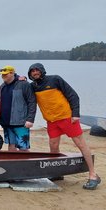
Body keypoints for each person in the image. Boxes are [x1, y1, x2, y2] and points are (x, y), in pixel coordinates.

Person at [28, 62, 101, 190]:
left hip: (67, 117)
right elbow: (25, 93)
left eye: (37, 70)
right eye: (32, 71)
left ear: (42, 70)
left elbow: (73, 95)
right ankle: (57, 173)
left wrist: (76, 114)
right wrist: (19, 78)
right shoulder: (33, 86)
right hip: (51, 121)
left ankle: (93, 175)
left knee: (81, 144)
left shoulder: (55, 79)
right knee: (53, 145)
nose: (35, 73)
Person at [0, 65, 36, 151]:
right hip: (7, 123)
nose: (3, 76)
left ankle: (27, 164)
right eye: (2, 74)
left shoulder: (24, 84)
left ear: (12, 73)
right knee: (11, 146)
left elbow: (32, 102)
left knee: (23, 147)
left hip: (21, 123)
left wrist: (30, 119)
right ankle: (12, 164)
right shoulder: (2, 86)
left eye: (6, 74)